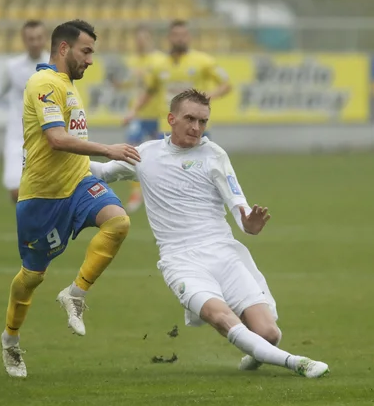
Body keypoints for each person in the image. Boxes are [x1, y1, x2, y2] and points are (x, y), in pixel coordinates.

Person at [92, 89, 329, 378]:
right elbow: (101, 171)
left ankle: (259, 351)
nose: (196, 127)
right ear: (171, 119)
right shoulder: (145, 154)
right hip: (180, 261)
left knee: (269, 334)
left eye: (203, 121)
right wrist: (55, 154)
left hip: (222, 253)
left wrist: (249, 225)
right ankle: (297, 363)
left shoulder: (214, 155)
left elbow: (238, 205)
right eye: (190, 118)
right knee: (221, 317)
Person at [1, 19, 141, 379]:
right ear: (64, 49)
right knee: (31, 278)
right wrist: (109, 150)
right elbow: (57, 140)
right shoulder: (44, 83)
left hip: (77, 186)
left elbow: (71, 152)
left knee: (119, 221)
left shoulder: (67, 84)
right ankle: (11, 340)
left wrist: (103, 171)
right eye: (86, 51)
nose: (91, 60)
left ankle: (76, 294)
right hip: (41, 200)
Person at [121, 19, 233, 213]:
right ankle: (171, 209)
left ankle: (207, 209)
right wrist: (133, 111)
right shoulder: (160, 65)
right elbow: (150, 91)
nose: (180, 39)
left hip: (196, 130)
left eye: (183, 35)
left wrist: (208, 97)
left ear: (189, 37)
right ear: (169, 38)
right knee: (168, 175)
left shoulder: (203, 61)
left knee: (204, 173)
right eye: (176, 35)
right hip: (168, 129)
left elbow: (226, 83)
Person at [0, 20, 50, 203]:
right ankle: (32, 225)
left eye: (38, 38)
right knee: (15, 190)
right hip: (17, 136)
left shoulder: (53, 65)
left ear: (45, 39)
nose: (34, 42)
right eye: (30, 38)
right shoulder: (13, 66)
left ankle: (41, 227)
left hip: (45, 136)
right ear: (24, 40)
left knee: (45, 190)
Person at [120, 25, 167, 213]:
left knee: (162, 155)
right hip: (139, 115)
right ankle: (136, 194)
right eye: (137, 39)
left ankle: (161, 193)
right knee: (132, 153)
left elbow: (155, 87)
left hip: (159, 114)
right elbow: (132, 84)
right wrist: (119, 85)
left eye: (143, 38)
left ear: (150, 39)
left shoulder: (160, 60)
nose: (140, 42)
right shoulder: (132, 61)